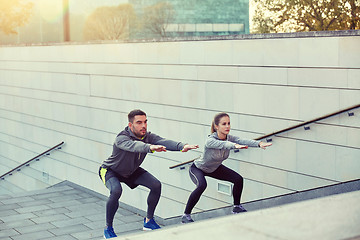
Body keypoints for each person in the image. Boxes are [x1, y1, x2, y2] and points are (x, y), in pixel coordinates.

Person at [99, 109, 199, 239]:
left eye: (145, 122)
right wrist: (150, 147)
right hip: (110, 170)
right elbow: (134, 146)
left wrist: (182, 146)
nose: (144, 125)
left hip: (131, 171)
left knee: (155, 185)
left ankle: (148, 221)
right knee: (116, 190)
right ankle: (108, 228)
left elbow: (163, 141)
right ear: (131, 125)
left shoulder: (148, 136)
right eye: (139, 122)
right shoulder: (121, 138)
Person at [181, 112, 272, 223]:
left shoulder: (229, 138)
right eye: (224, 124)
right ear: (216, 126)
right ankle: (186, 215)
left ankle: (237, 207)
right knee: (202, 185)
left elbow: (241, 140)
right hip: (198, 168)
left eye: (229, 123)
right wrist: (234, 146)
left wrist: (259, 143)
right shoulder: (210, 140)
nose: (227, 126)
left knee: (238, 179)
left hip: (215, 168)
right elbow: (223, 144)